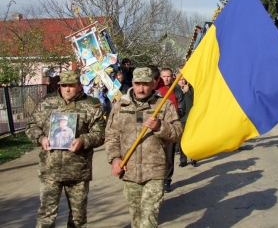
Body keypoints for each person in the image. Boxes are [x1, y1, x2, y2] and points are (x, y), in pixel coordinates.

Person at [25, 70, 105, 228]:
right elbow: (31, 126)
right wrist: (41, 138)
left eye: (71, 86)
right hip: (50, 169)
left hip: (78, 170)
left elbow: (100, 134)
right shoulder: (46, 103)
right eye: (64, 86)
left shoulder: (91, 105)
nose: (67, 89)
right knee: (46, 215)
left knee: (78, 217)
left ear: (79, 86)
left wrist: (83, 140)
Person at [105, 67, 182, 228]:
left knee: (148, 220)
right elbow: (111, 136)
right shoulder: (121, 106)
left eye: (146, 84)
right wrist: (115, 158)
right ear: (132, 83)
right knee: (136, 218)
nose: (141, 88)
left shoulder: (164, 105)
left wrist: (160, 126)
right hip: (129, 170)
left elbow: (177, 133)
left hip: (155, 170)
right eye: (138, 83)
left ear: (153, 84)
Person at [159, 67, 185, 192]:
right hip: (157, 127)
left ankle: (167, 180)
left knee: (169, 156)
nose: (166, 79)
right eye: (163, 76)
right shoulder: (156, 90)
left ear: (172, 77)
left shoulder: (177, 91)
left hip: (171, 128)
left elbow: (181, 109)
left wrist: (172, 117)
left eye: (168, 76)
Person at [177, 69, 197, 167]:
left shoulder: (191, 88)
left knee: (192, 139)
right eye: (180, 79)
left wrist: (188, 92)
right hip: (180, 118)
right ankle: (183, 159)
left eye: (184, 79)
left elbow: (195, 99)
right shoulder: (175, 90)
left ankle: (193, 158)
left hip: (190, 117)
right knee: (181, 140)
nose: (182, 81)